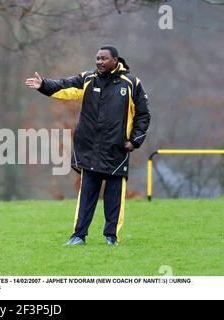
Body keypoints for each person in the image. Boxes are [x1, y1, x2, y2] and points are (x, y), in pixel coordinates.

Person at [25, 46, 150, 246]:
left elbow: (143, 115)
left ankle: (111, 237)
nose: (99, 62)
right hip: (89, 149)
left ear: (115, 60)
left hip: (116, 150)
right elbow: (64, 87)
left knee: (114, 198)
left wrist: (135, 140)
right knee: (86, 196)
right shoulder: (88, 78)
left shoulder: (132, 83)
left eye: (104, 58)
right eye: (97, 58)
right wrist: (43, 85)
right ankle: (78, 236)